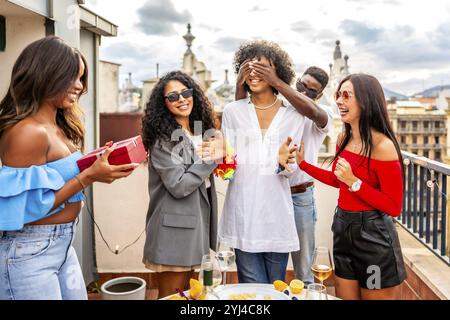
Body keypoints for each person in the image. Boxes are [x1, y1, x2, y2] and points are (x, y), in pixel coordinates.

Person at [0, 36, 138, 300]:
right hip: (29, 251)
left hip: (62, 245)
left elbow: (58, 177)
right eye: (71, 77)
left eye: (80, 78)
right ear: (45, 74)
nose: (78, 86)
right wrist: (87, 176)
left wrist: (98, 165)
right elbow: (20, 209)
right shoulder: (27, 132)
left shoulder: (57, 127)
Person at [296, 73, 406, 300]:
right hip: (343, 230)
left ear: (366, 101)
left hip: (373, 240)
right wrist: (303, 165)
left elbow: (394, 206)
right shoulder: (343, 137)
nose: (339, 101)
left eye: (347, 95)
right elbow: (338, 179)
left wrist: (354, 183)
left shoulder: (383, 146)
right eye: (338, 95)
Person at [236, 63, 334, 285]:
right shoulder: (280, 109)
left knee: (304, 271)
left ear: (319, 95)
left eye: (311, 90)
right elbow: (241, 114)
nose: (304, 92)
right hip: (269, 194)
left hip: (299, 197)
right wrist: (241, 83)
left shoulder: (321, 113)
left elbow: (311, 110)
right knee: (270, 264)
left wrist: (276, 81)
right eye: (301, 85)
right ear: (296, 81)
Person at [219, 40, 303, 284]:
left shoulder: (292, 114)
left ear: (276, 71)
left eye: (262, 67)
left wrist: (282, 163)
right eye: (249, 67)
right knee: (253, 287)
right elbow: (229, 169)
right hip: (243, 214)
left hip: (276, 217)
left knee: (276, 287)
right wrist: (221, 162)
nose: (254, 73)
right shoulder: (232, 111)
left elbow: (290, 170)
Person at [141, 71, 227, 299]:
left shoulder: (198, 132)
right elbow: (178, 186)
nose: (181, 99)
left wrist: (218, 142)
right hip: (173, 233)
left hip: (196, 228)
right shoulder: (163, 141)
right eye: (173, 97)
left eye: (186, 92)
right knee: (173, 297)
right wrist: (212, 159)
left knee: (190, 296)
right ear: (164, 104)